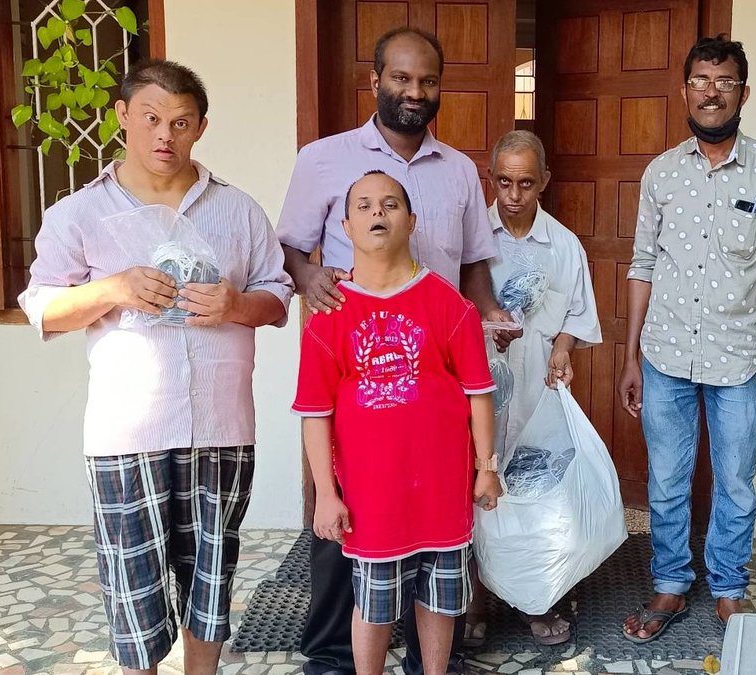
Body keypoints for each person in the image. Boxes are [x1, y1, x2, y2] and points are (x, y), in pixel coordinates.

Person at [17, 60, 293, 674]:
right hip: (127, 433)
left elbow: (277, 299)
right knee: (133, 584)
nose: (164, 135)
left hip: (221, 428)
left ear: (200, 128)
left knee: (211, 579)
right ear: (122, 116)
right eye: (150, 119)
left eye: (180, 122)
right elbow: (43, 309)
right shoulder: (79, 214)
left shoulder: (238, 210)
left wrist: (236, 303)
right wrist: (111, 288)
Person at [275, 27, 515, 675]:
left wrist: (489, 313)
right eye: (402, 79)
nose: (415, 92)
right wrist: (310, 277)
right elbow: (291, 248)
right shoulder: (324, 158)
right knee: (348, 530)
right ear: (376, 80)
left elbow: (473, 267)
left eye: (428, 82)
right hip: (353, 367)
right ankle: (334, 658)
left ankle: (431, 663)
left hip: (434, 375)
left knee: (435, 540)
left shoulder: (460, 171)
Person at [617, 35, 756, 641]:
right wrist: (630, 357)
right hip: (666, 354)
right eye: (701, 80)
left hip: (740, 358)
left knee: (735, 482)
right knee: (668, 479)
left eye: (724, 81)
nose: (712, 91)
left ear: (744, 93)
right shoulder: (661, 173)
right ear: (685, 90)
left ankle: (727, 588)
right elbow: (642, 264)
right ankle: (671, 583)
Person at [293, 170, 502, 675]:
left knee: (438, 599)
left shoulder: (450, 307)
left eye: (389, 205)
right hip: (372, 498)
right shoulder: (329, 318)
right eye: (363, 206)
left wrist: (486, 466)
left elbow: (479, 395)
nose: (377, 214)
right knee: (374, 602)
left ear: (411, 221)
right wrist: (326, 492)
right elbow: (314, 414)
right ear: (345, 226)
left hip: (441, 490)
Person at [463, 130, 602, 646]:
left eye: (525, 183)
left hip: (539, 386)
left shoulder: (564, 245)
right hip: (482, 385)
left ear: (544, 181)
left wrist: (563, 348)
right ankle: (475, 598)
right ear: (491, 178)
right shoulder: (473, 242)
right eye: (503, 182)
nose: (514, 194)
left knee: (537, 489)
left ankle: (534, 600)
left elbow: (576, 315)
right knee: (481, 484)